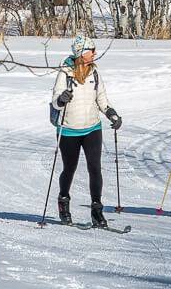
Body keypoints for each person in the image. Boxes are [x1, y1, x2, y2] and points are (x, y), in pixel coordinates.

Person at [51, 35, 122, 227]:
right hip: (69, 130)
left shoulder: (95, 73)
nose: (95, 54)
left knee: (94, 168)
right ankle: (63, 203)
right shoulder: (65, 73)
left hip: (92, 128)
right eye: (92, 51)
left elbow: (102, 100)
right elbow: (55, 102)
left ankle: (97, 211)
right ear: (82, 53)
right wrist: (62, 99)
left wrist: (112, 114)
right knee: (69, 168)